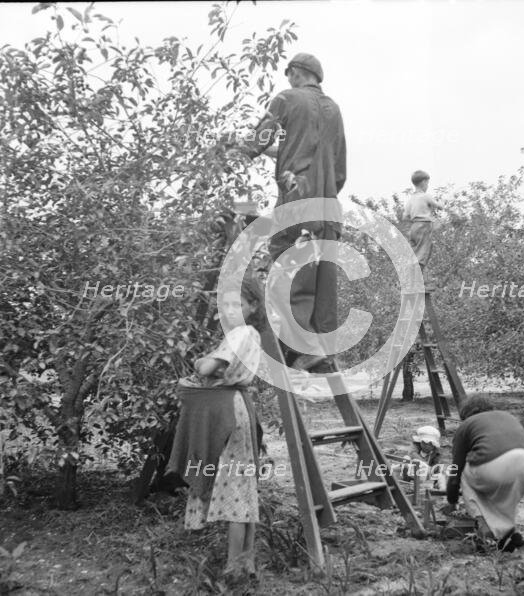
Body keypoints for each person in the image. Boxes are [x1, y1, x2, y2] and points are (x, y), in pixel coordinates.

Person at [241, 52, 347, 372]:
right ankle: (322, 350)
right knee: (322, 281)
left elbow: (256, 141)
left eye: (288, 73)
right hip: (328, 208)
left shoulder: (286, 99)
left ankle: (301, 347)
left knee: (285, 274)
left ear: (298, 72)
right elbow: (337, 168)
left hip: (296, 202)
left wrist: (233, 149)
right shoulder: (334, 110)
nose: (287, 79)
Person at [165, 277, 266, 582]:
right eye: (227, 304)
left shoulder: (239, 334)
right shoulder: (253, 336)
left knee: (235, 489)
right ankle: (246, 563)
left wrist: (202, 361)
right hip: (241, 407)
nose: (231, 310)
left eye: (238, 304)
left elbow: (206, 369)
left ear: (253, 307)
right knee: (244, 488)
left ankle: (233, 568)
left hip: (228, 411)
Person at [443, 396, 524, 552]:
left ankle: (486, 530)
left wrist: (452, 499)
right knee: (503, 493)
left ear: (465, 414)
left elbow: (456, 467)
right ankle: (508, 534)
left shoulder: (466, 425)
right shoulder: (507, 416)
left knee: (466, 472)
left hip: (496, 461)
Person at [402, 170, 444, 279]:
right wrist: (442, 203)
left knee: (415, 252)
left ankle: (410, 274)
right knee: (424, 251)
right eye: (427, 183)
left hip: (414, 227)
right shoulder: (425, 196)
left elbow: (405, 216)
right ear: (424, 182)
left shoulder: (411, 199)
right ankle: (417, 277)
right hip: (424, 226)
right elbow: (439, 206)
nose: (427, 186)